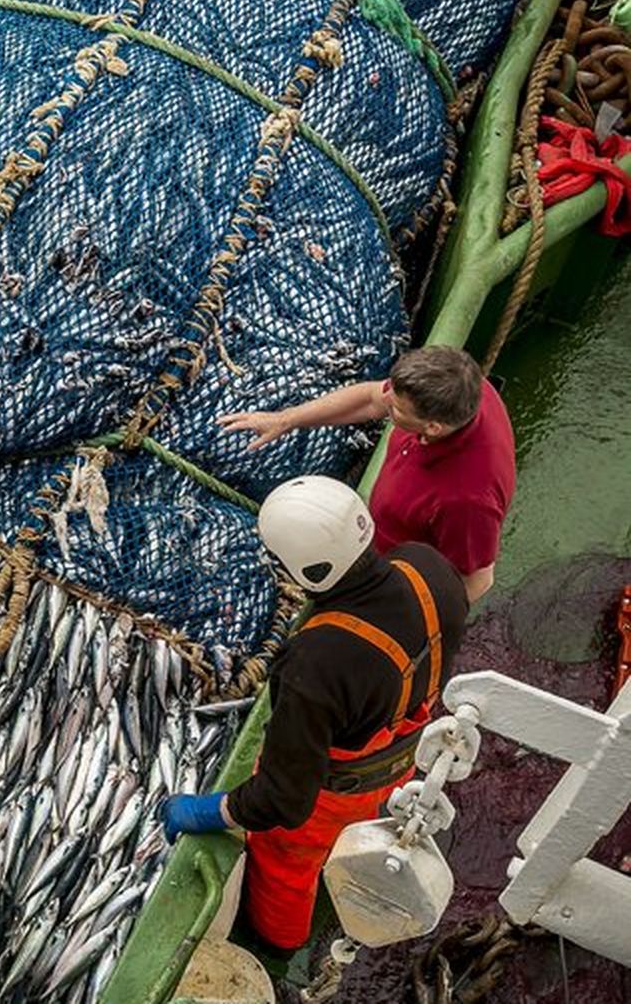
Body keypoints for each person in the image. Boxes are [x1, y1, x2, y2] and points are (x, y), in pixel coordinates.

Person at [160, 476, 468, 955]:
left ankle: (278, 946)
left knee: (286, 869)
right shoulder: (427, 568)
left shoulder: (315, 662)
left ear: (307, 572)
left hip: (331, 799)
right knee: (368, 811)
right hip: (404, 755)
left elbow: (282, 802)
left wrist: (206, 810)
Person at [219, 346, 515, 602]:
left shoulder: (467, 501)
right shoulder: (464, 386)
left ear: (433, 427)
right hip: (372, 530)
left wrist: (406, 618)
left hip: (391, 573)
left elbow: (477, 580)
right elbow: (372, 399)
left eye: (397, 410)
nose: (387, 403)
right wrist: (283, 420)